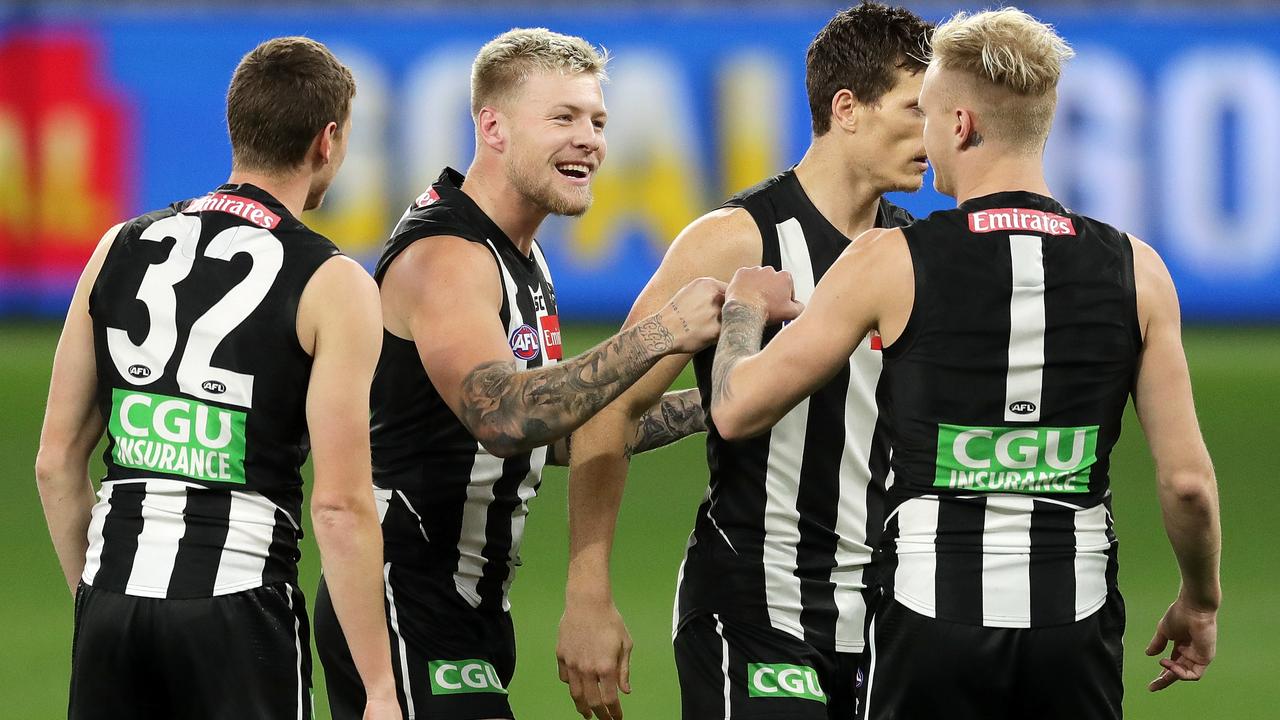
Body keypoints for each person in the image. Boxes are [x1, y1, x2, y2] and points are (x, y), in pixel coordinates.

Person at [708, 8, 1221, 720]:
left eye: (926, 113)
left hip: (930, 616)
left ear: (959, 126)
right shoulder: (1139, 269)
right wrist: (1200, 598)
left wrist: (742, 310)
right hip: (1075, 622)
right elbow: (1189, 483)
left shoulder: (891, 260)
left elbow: (736, 409)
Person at [312, 28, 726, 720]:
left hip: (465, 607)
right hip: (402, 597)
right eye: (562, 118)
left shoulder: (520, 256)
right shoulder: (446, 257)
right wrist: (661, 334)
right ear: (493, 126)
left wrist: (718, 402)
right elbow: (505, 416)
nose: (589, 139)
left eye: (596, 121)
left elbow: (556, 425)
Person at [556, 4, 934, 719]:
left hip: (890, 619)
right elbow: (615, 404)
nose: (933, 134)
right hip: (754, 607)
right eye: (915, 110)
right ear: (847, 109)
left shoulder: (916, 255)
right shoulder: (734, 240)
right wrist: (587, 593)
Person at [34, 37, 400, 720]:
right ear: (328, 141)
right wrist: (379, 688)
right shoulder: (333, 282)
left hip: (113, 601)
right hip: (239, 606)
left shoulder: (119, 244)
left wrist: (99, 595)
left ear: (237, 127)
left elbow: (56, 462)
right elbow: (339, 507)